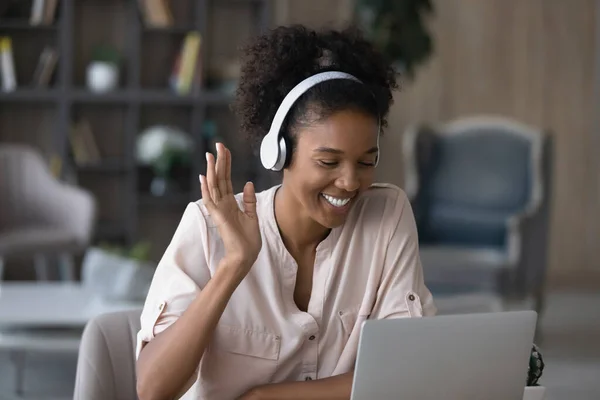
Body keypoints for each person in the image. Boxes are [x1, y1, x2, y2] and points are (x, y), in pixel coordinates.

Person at [135, 24, 436, 400]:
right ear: (278, 153)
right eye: (328, 162)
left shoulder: (386, 216)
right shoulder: (207, 227)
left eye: (366, 162)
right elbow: (151, 390)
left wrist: (265, 397)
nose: (350, 182)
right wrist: (234, 265)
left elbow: (407, 371)